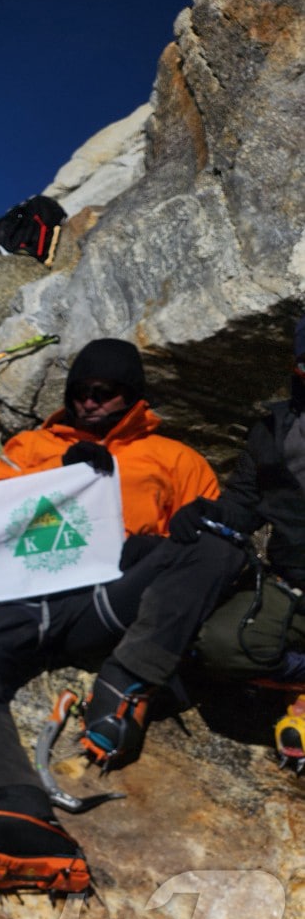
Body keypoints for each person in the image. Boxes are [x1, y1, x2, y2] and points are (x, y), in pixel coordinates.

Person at [0, 339, 245, 893]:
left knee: (218, 548)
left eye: (106, 393)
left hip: (113, 597)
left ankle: (127, 680)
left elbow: (200, 557)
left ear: (134, 396)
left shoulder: (175, 457)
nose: (90, 403)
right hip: (31, 590)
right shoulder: (31, 446)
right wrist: (56, 483)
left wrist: (201, 517)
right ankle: (15, 806)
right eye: (81, 393)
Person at [191, 317, 305, 770]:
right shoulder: (272, 431)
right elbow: (241, 506)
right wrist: (202, 515)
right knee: (217, 644)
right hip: (294, 588)